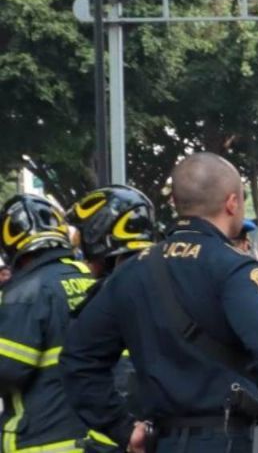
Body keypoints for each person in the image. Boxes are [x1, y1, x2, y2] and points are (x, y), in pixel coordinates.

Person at [60, 152, 258, 453]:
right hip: (230, 439)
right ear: (232, 203)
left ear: (175, 204)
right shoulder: (235, 268)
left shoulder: (131, 272)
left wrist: (121, 428)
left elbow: (78, 358)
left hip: (161, 441)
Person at [0, 194, 97, 452]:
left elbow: (7, 370)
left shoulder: (25, 293)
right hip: (100, 437)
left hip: (43, 439)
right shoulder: (92, 278)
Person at [67, 185, 158, 450]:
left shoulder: (113, 292)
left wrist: (123, 429)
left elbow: (79, 364)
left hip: (126, 440)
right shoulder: (170, 277)